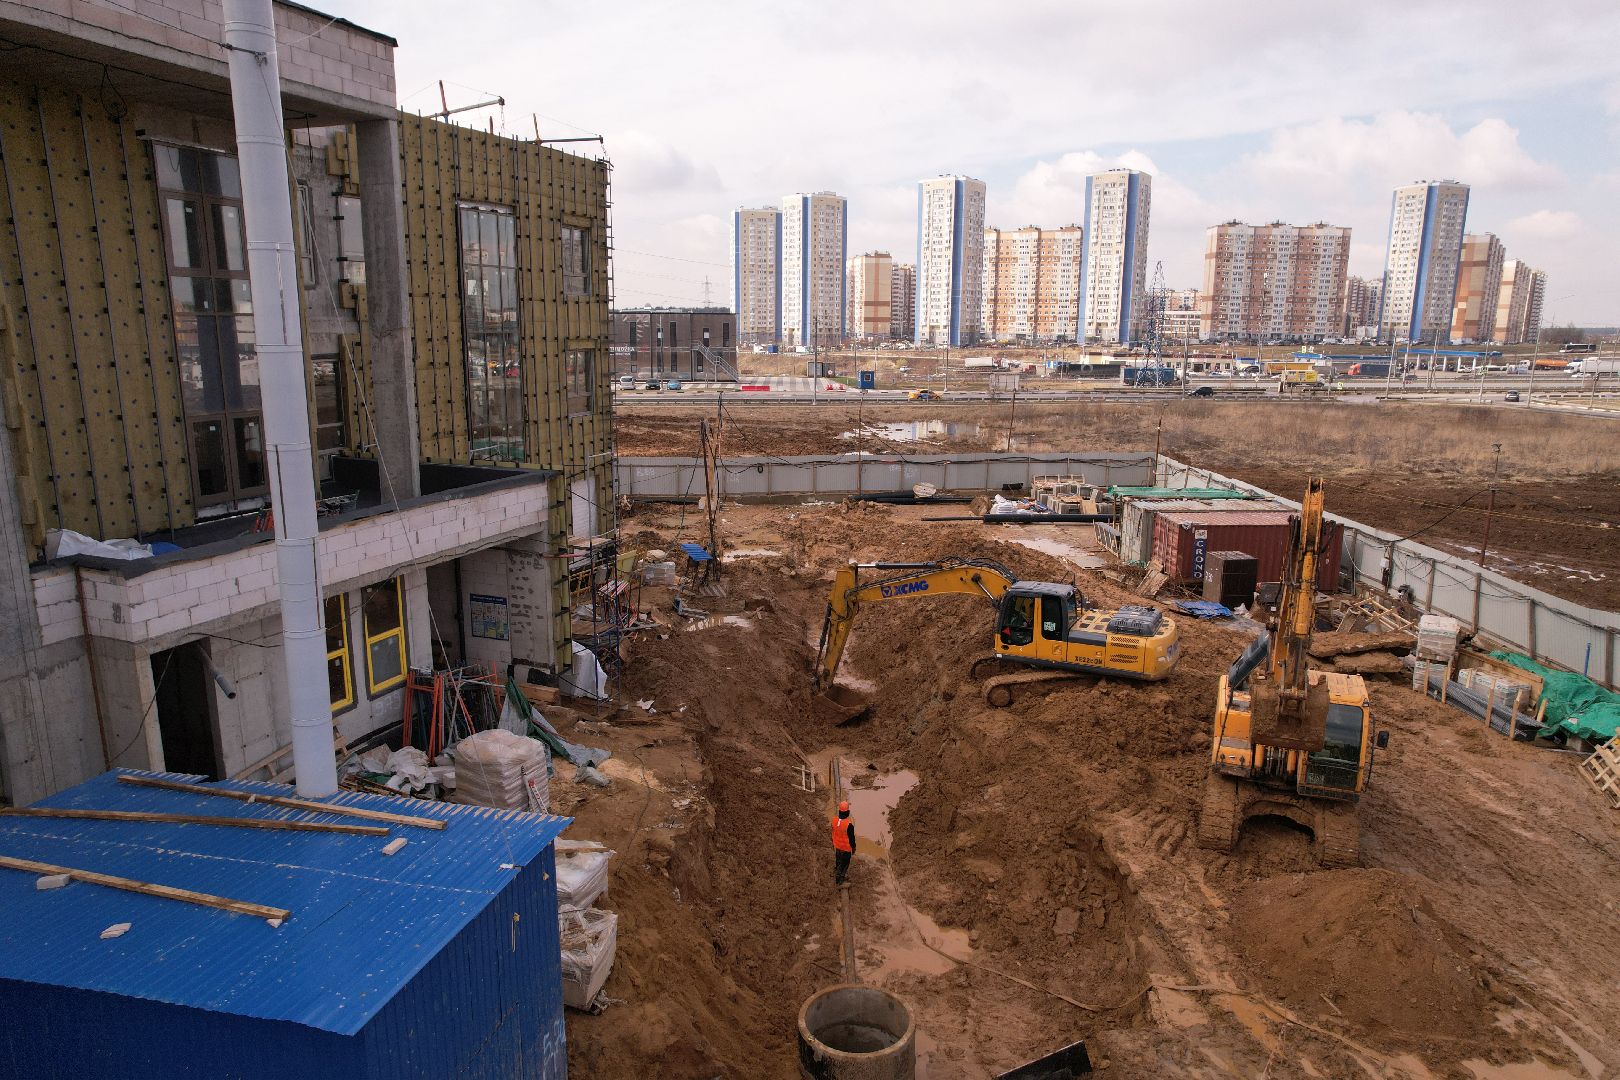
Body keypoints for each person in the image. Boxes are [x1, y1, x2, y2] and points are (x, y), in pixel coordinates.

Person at [831, 800, 855, 886]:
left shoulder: (834, 820)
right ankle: (840, 879)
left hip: (837, 846)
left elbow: (833, 832)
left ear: (839, 811)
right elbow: (852, 839)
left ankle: (837, 871)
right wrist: (854, 848)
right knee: (845, 864)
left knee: (838, 860)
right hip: (846, 849)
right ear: (848, 812)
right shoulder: (849, 825)